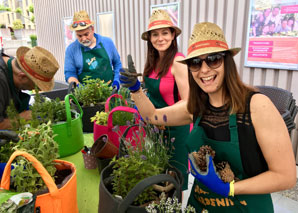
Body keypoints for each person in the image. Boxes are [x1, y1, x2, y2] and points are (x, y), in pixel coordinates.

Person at [120, 22, 296, 212]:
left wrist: (229, 189)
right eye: (195, 63)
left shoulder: (257, 106)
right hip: (201, 205)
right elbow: (152, 116)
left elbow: (285, 176)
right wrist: (135, 89)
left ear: (227, 61)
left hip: (244, 206)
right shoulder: (196, 107)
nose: (203, 70)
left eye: (213, 59)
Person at [140, 9, 190, 190]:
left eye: (164, 33)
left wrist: (159, 116)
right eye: (155, 34)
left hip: (176, 128)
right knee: (158, 172)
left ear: (173, 35)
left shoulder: (178, 61)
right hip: (155, 126)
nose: (160, 38)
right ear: (150, 39)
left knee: (175, 179)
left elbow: (188, 101)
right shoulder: (152, 62)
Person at [0, 46, 59, 129]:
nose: (39, 90)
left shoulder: (13, 64)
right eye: (37, 86)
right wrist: (23, 117)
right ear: (22, 77)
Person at [64, 10, 122, 90]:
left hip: (110, 92)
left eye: (86, 34)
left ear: (92, 29)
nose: (84, 39)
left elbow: (117, 64)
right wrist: (78, 87)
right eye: (79, 36)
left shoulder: (107, 42)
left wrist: (117, 81)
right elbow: (70, 73)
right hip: (86, 96)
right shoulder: (71, 50)